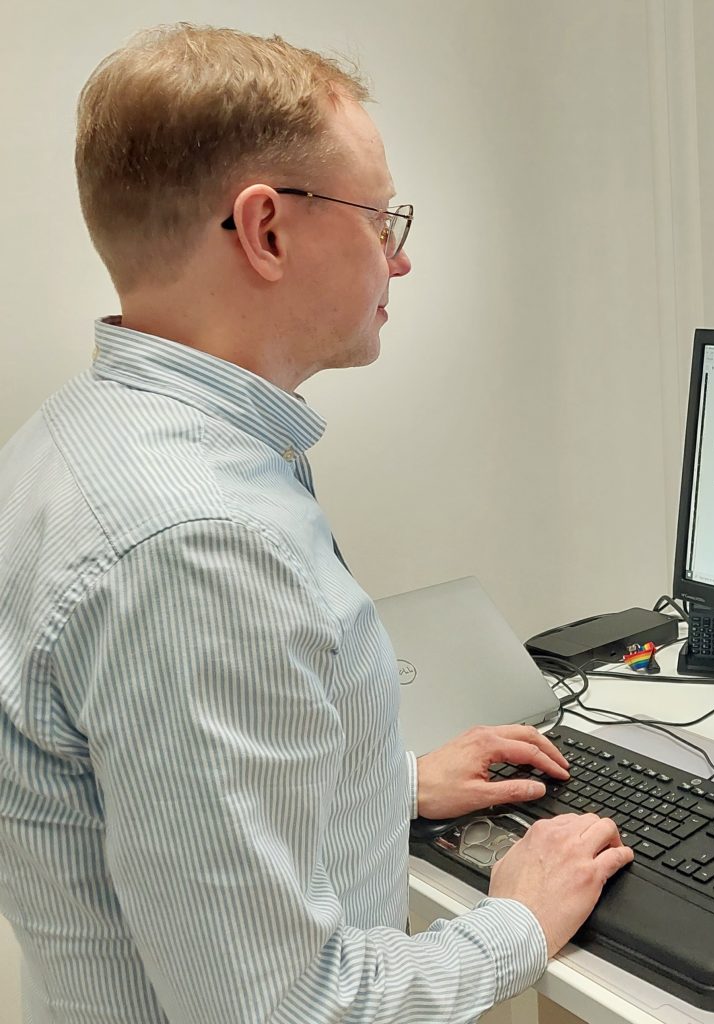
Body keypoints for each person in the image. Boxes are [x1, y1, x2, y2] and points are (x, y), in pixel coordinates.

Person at [0, 23, 632, 1024]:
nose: (401, 260)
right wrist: (514, 923)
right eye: (383, 219)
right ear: (267, 230)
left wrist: (383, 785)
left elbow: (158, 808)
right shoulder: (197, 543)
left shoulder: (79, 439)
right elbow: (289, 1009)